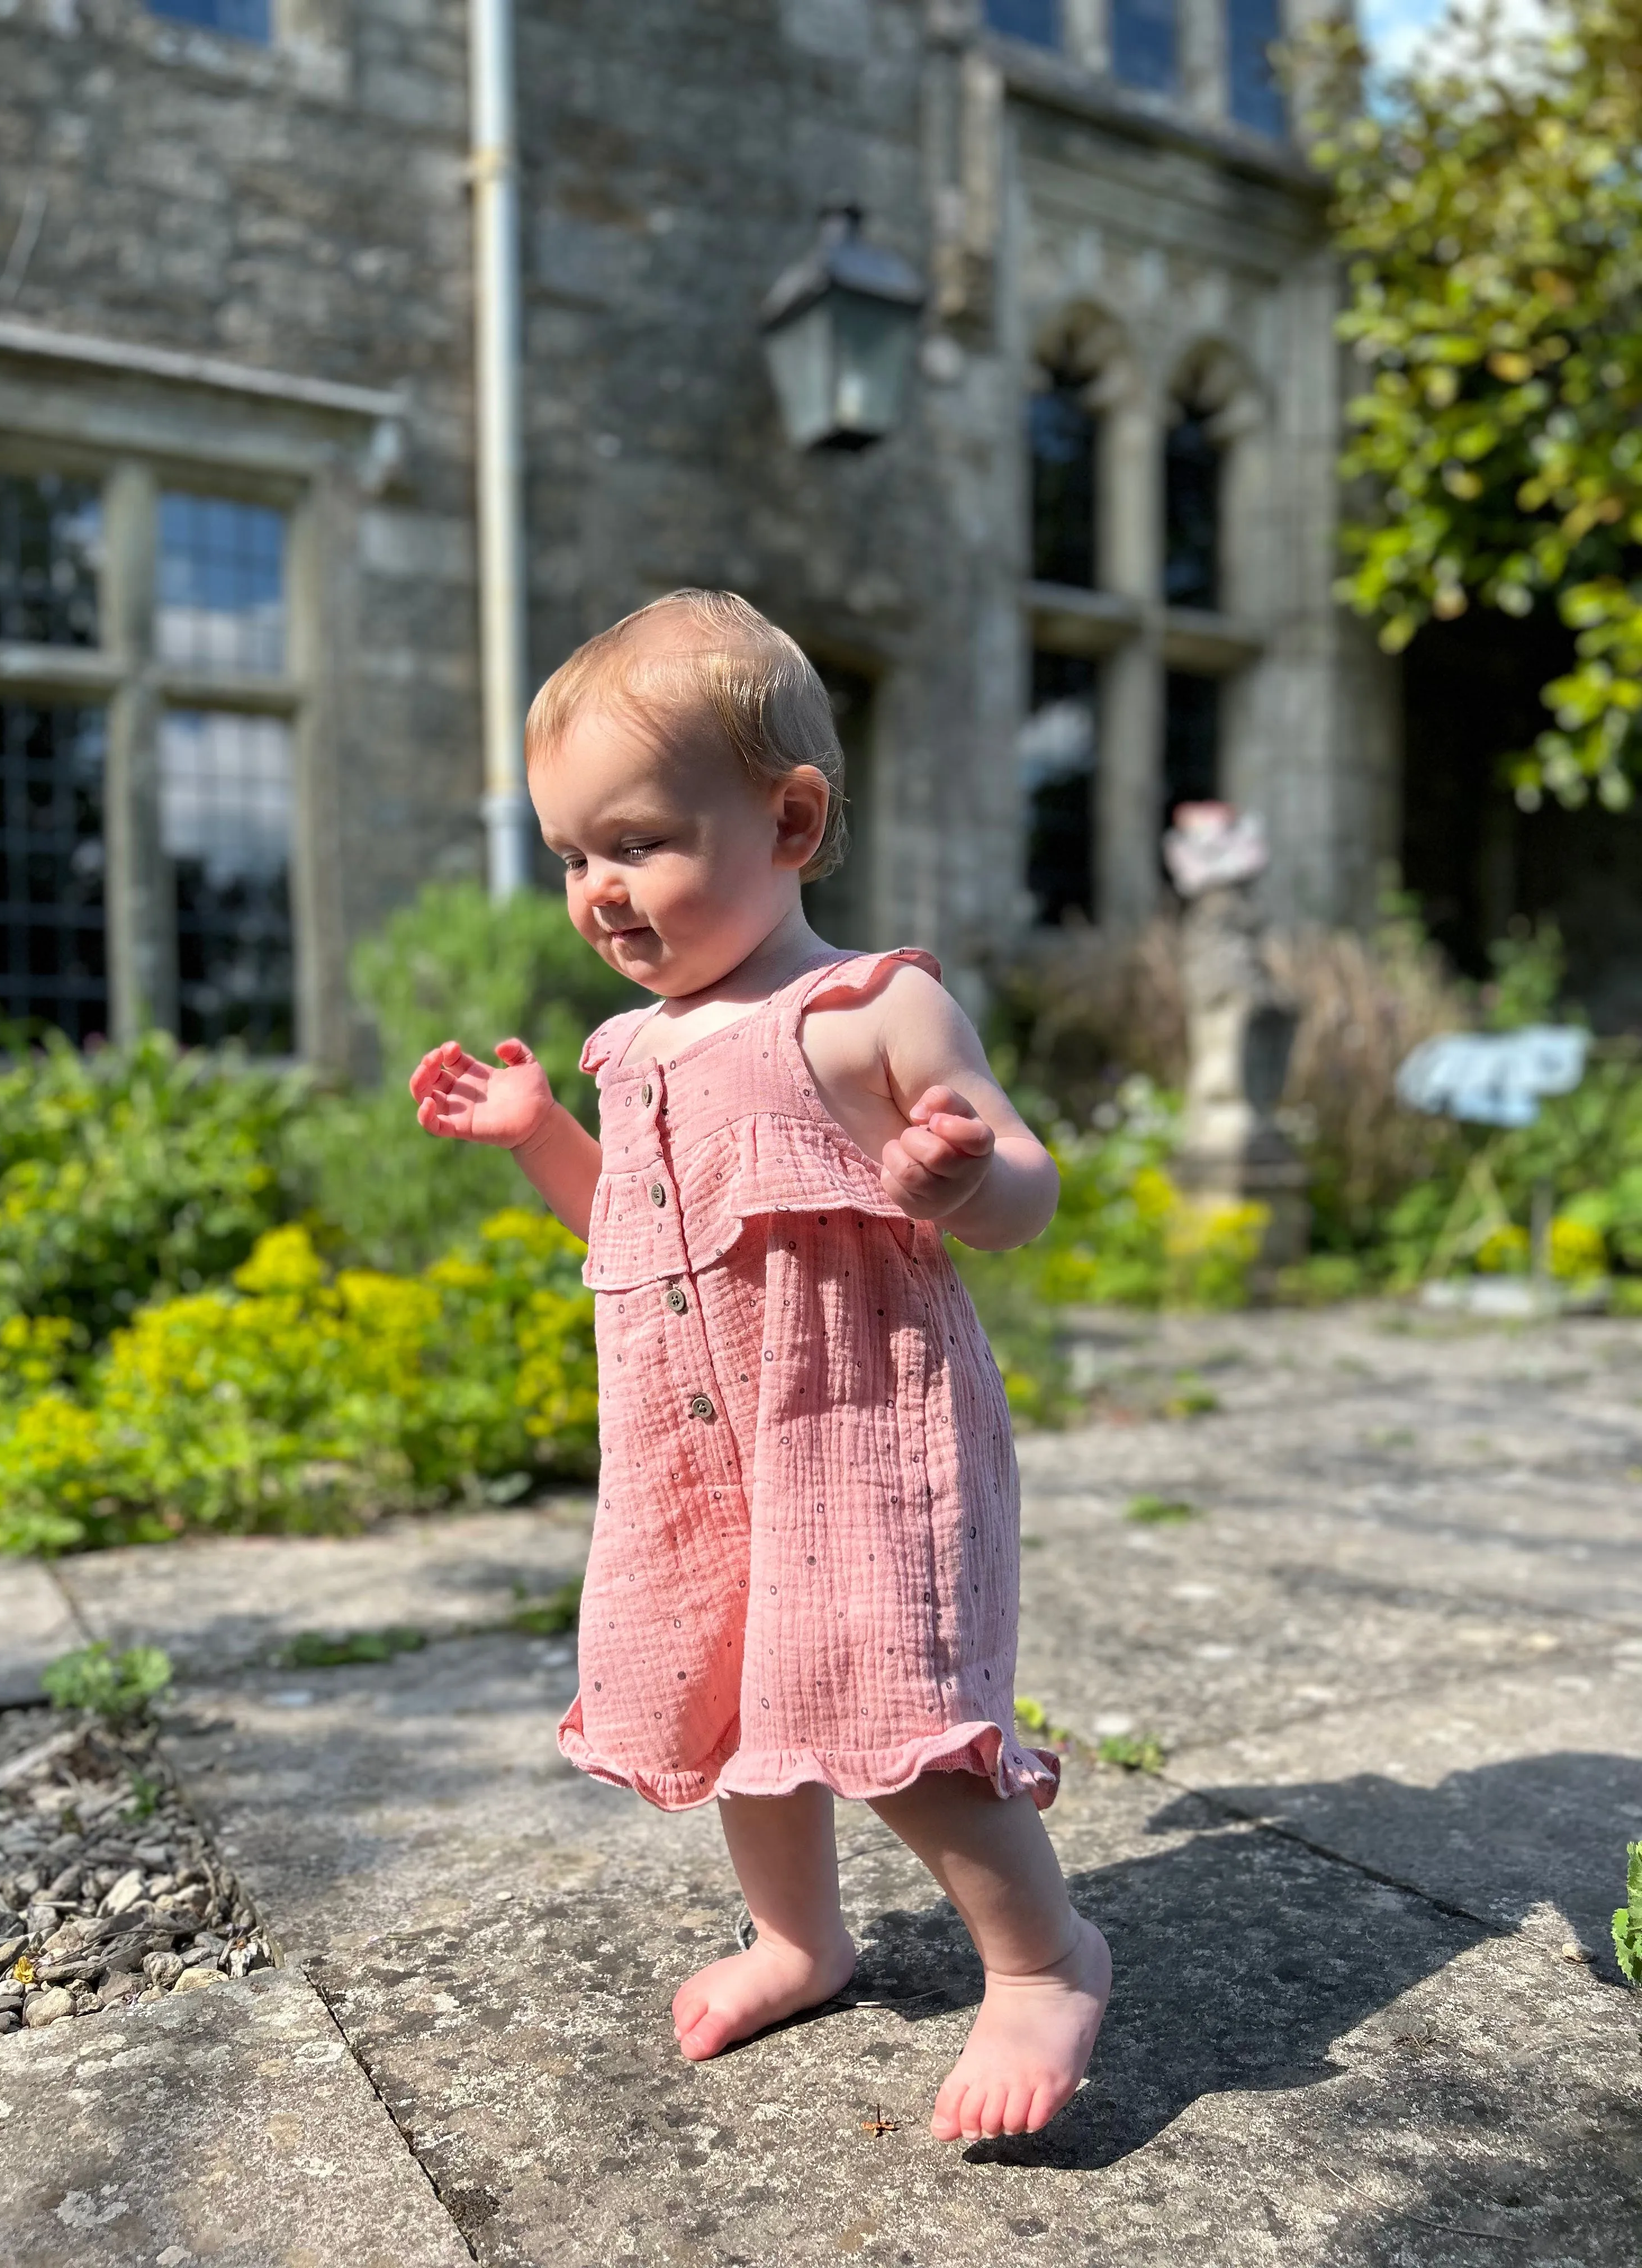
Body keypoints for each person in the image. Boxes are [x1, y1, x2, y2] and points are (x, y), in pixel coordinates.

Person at [409, 590, 1109, 2143]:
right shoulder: (634, 1048)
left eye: (639, 843)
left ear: (790, 818)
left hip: (859, 1426)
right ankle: (802, 1938)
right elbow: (642, 1237)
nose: (599, 890)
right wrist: (543, 1141)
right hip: (697, 1444)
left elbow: (1032, 1185)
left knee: (894, 1712)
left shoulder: (864, 1013)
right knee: (735, 1704)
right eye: (573, 855)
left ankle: (1046, 1955)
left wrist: (962, 1181)